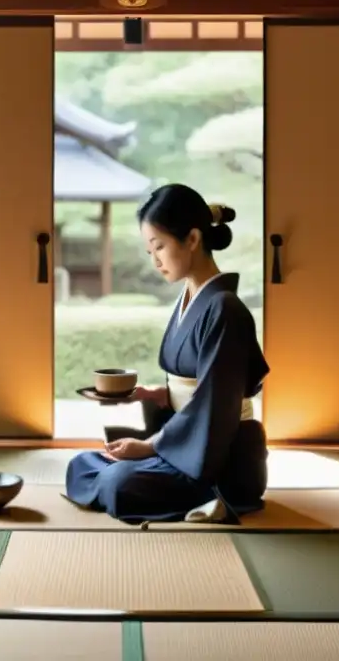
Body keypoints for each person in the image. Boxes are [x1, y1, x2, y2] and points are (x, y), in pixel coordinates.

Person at [65, 183, 270, 524]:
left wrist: (151, 446)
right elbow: (196, 385)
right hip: (189, 440)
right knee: (81, 464)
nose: (155, 260)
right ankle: (166, 480)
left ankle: (214, 500)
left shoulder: (225, 309)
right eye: (149, 252)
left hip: (222, 459)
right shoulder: (190, 299)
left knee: (118, 484)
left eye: (159, 246)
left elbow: (216, 406)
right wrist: (160, 394)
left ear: (192, 239)